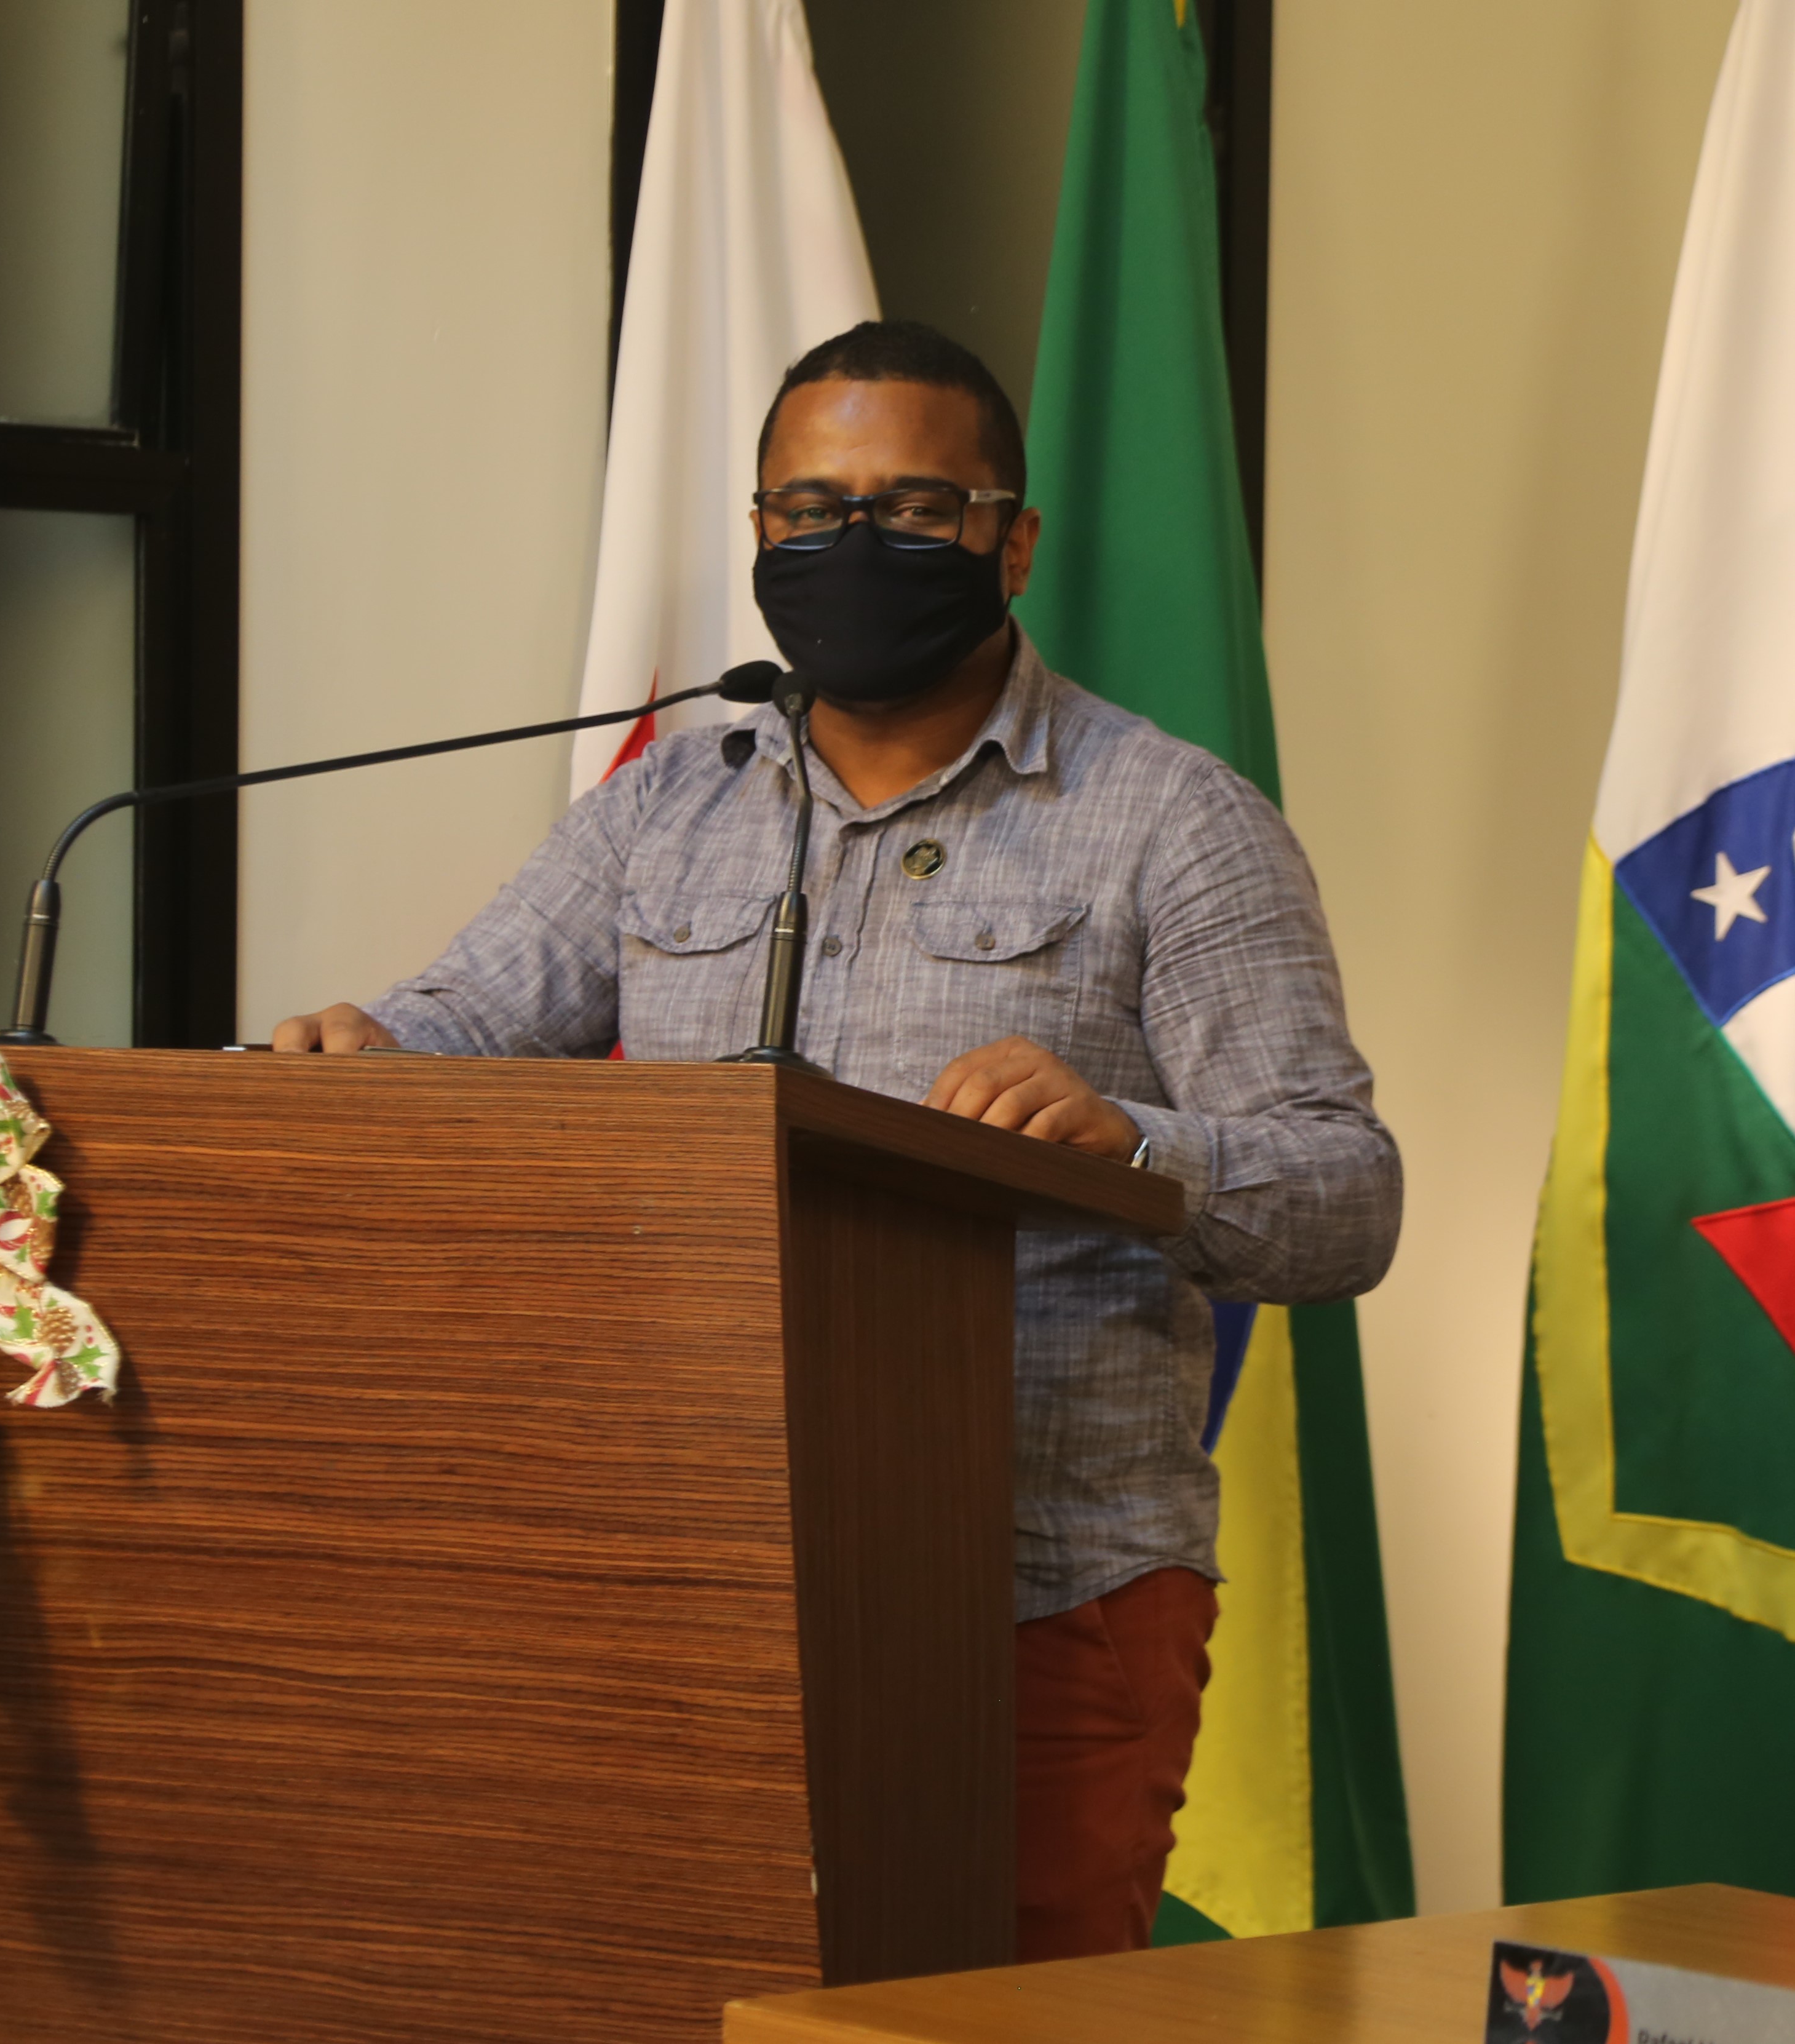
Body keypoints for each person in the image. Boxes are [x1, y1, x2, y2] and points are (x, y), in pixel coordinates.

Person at [275, 320, 1401, 1959]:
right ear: (756, 541)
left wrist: (1132, 1143)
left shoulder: (1173, 818)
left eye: (910, 509)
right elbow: (453, 1029)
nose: (850, 546)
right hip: (691, 1564)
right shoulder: (672, 802)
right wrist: (353, 1054)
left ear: (1010, 541)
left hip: (1041, 1580)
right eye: (807, 512)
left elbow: (1341, 1196)